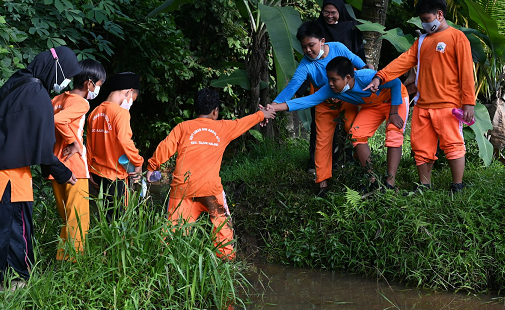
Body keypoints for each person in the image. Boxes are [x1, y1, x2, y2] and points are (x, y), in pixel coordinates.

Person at [0, 46, 79, 294]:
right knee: (13, 229)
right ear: (55, 69)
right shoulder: (37, 97)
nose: (66, 83)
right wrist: (64, 173)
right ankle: (7, 284)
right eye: (66, 75)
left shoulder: (20, 80)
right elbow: (43, 152)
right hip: (5, 177)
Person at [146, 88, 276, 260]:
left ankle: (167, 264)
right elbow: (243, 122)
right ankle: (226, 263)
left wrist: (151, 167)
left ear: (196, 110)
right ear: (215, 111)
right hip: (210, 191)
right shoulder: (223, 127)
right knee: (223, 230)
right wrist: (261, 115)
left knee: (172, 235)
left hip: (182, 190)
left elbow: (165, 147)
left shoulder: (183, 127)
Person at [364, 0, 475, 193]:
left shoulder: (458, 38)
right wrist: (380, 77)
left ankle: (457, 185)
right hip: (423, 104)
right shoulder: (422, 41)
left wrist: (468, 103)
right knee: (421, 148)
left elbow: (467, 72)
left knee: (453, 145)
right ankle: (424, 186)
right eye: (422, 20)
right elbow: (403, 61)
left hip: (448, 105)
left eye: (426, 20)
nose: (424, 24)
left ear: (439, 15)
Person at [268, 57, 409, 190]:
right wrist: (274, 107)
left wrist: (394, 113)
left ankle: (390, 183)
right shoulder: (331, 90)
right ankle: (373, 180)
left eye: (334, 80)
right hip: (372, 106)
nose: (330, 83)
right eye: (329, 78)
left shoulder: (366, 77)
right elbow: (307, 101)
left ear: (348, 78)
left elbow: (395, 82)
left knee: (393, 133)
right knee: (356, 134)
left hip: (395, 100)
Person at [269, 20, 367, 196]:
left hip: (346, 99)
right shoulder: (305, 64)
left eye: (311, 45)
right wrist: (273, 105)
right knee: (322, 142)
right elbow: (292, 87)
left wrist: (371, 75)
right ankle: (323, 184)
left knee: (353, 130)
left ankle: (368, 174)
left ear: (322, 41)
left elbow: (357, 62)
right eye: (304, 46)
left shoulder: (338, 47)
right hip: (323, 103)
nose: (307, 50)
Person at [304, 0, 367, 175]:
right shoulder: (317, 29)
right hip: (322, 85)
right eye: (326, 12)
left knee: (350, 124)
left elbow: (358, 56)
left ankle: (349, 160)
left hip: (347, 84)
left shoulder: (352, 28)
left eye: (333, 12)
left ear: (340, 11)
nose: (329, 16)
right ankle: (316, 163)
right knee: (321, 127)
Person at [49, 59, 106, 259]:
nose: (97, 90)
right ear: (89, 83)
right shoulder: (82, 103)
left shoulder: (55, 100)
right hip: (74, 168)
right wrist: (73, 141)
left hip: (54, 167)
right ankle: (71, 267)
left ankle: (62, 262)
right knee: (78, 221)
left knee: (67, 219)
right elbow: (58, 121)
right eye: (98, 86)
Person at [86, 72, 143, 222]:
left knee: (106, 218)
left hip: (99, 174)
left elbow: (89, 144)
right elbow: (124, 141)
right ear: (129, 92)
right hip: (116, 176)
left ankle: (105, 245)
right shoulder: (121, 113)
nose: (131, 103)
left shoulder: (94, 112)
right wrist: (138, 162)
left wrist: (89, 168)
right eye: (133, 99)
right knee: (120, 221)